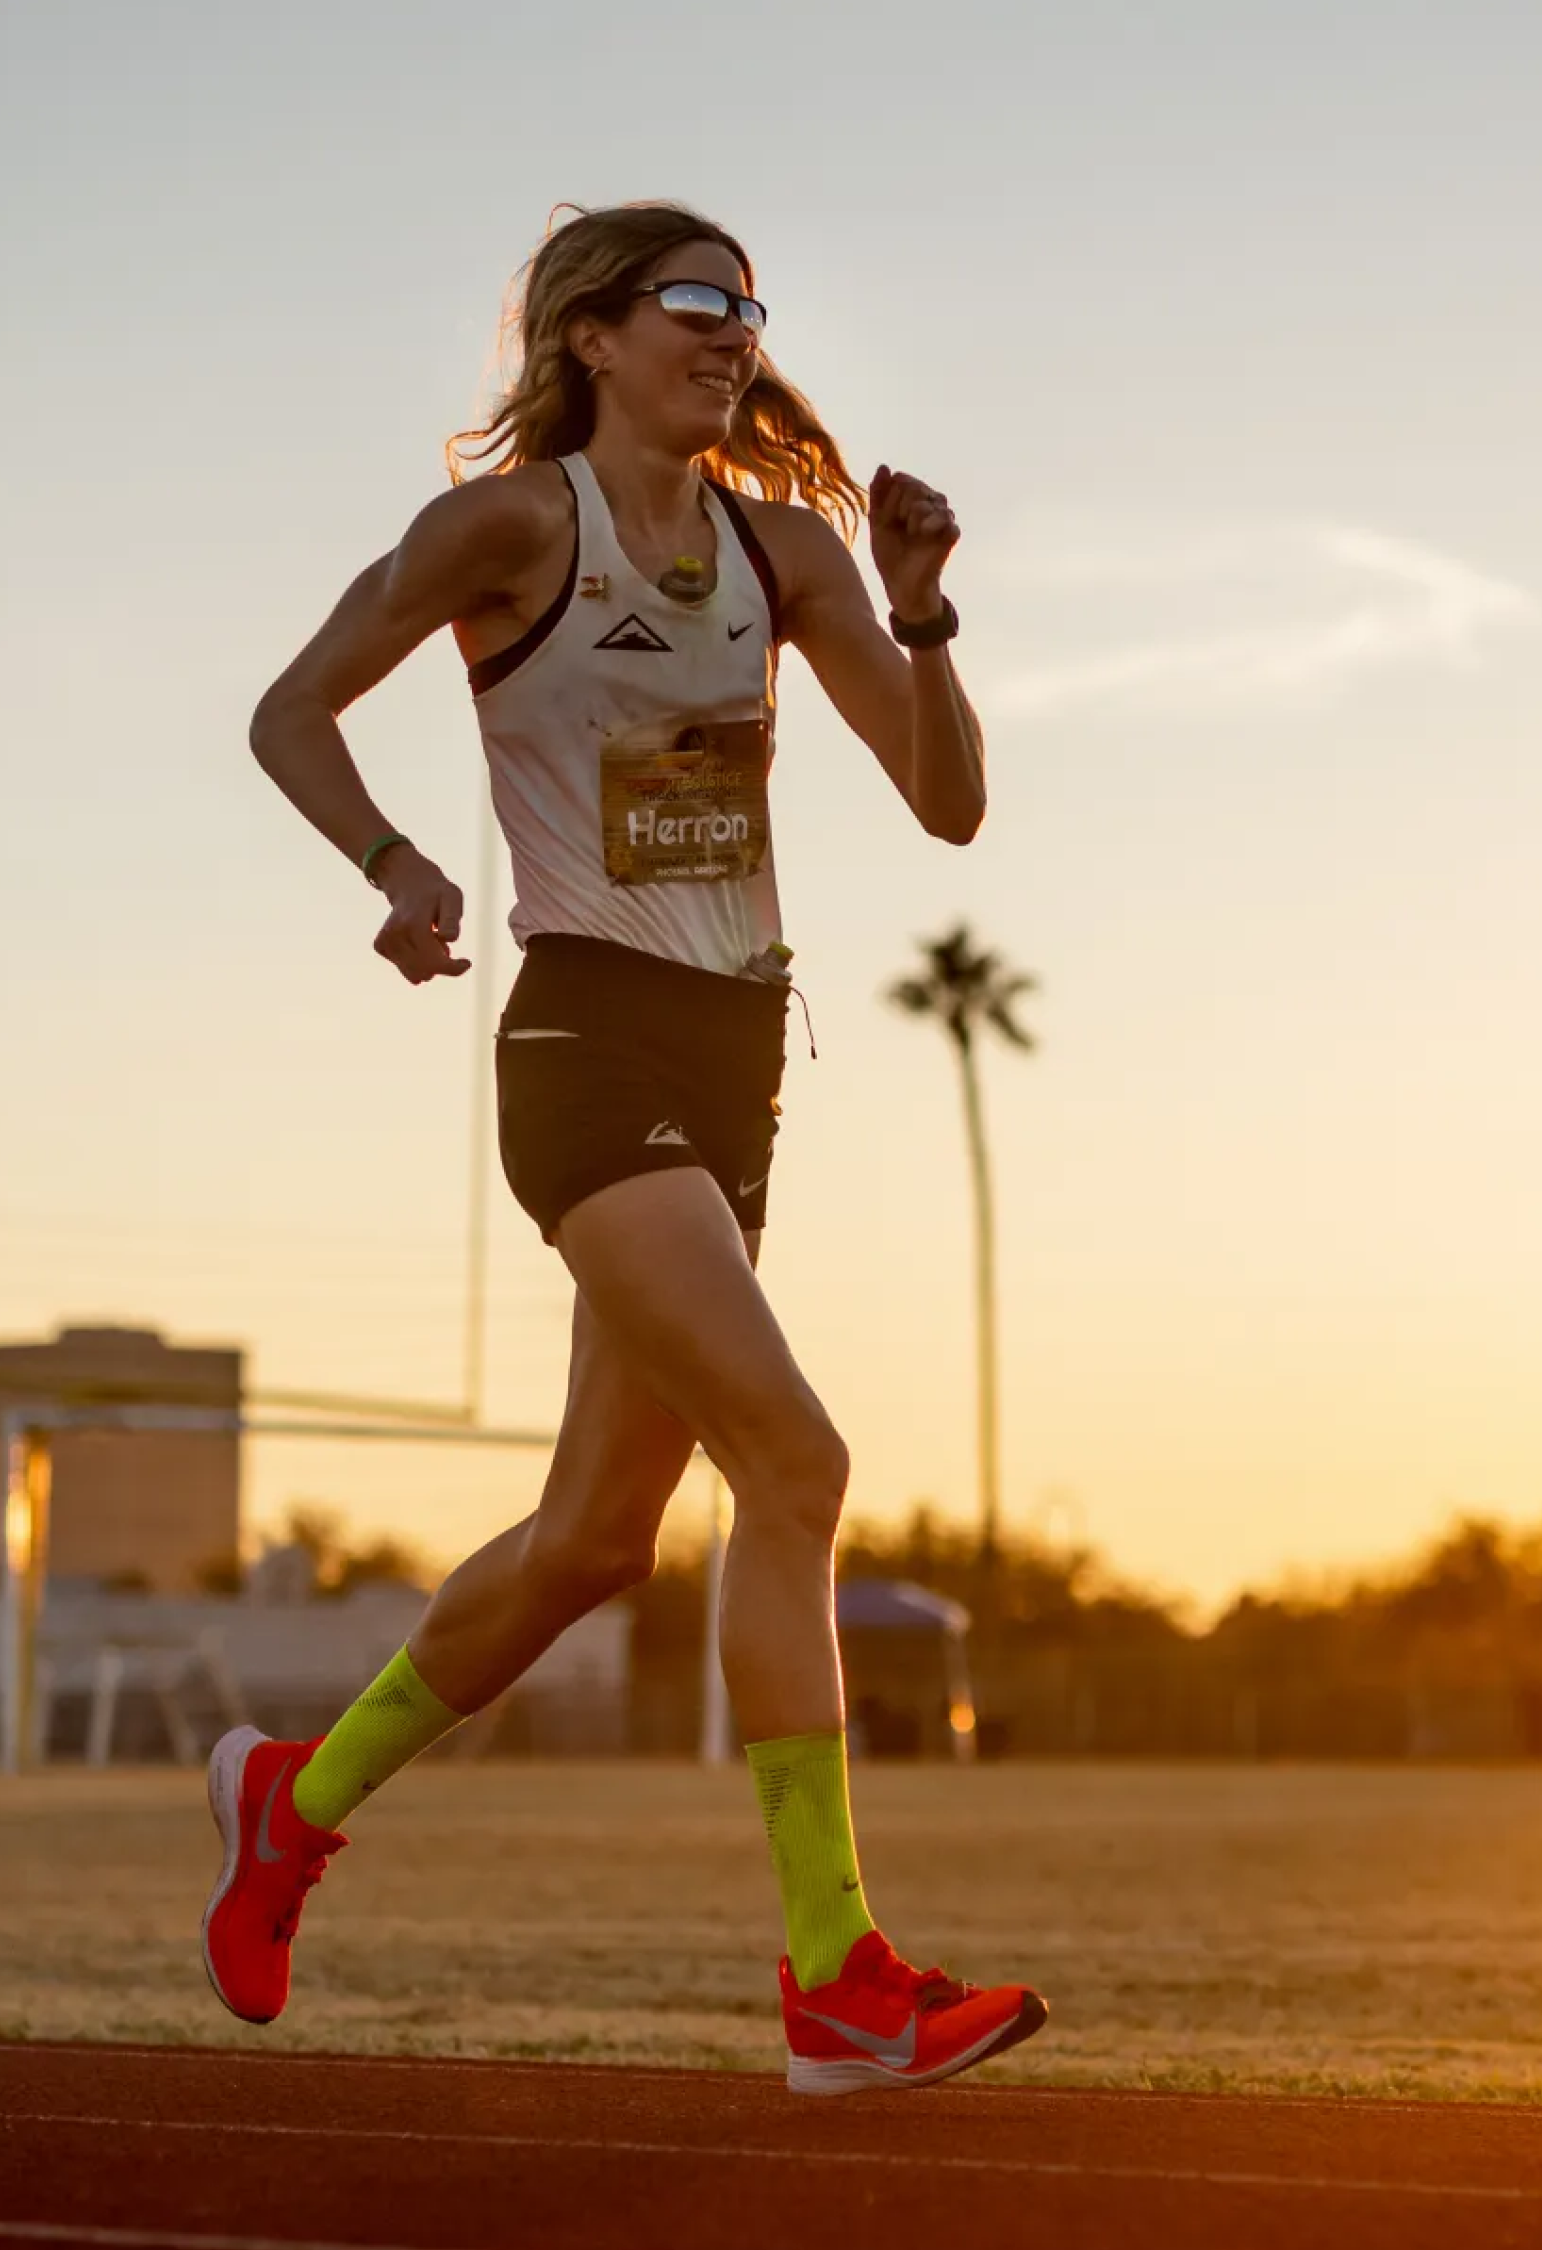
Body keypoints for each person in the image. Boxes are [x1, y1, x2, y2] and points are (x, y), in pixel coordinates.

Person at [205, 200, 1044, 2095]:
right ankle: (835, 1969)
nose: (733, 332)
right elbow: (289, 712)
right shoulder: (508, 530)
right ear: (592, 332)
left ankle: (290, 1804)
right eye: (695, 300)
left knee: (593, 1541)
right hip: (584, 1042)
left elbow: (950, 805)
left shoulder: (782, 551)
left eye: (753, 308)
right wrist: (401, 861)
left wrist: (917, 607)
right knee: (797, 1457)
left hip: (737, 1055)